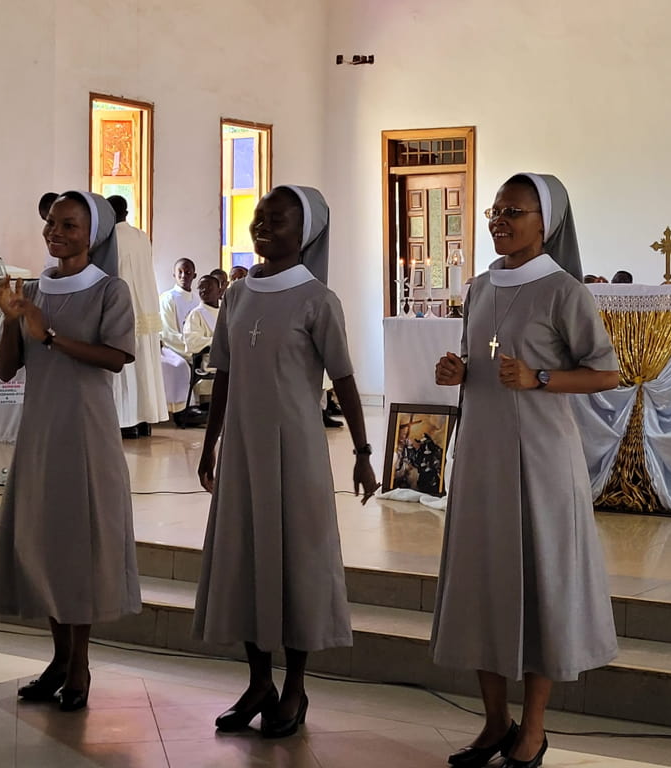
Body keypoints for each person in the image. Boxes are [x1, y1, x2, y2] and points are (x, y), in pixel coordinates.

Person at [432, 173, 620, 768]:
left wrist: (539, 378)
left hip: (540, 461)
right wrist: (458, 369)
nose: (499, 219)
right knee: (486, 585)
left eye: (513, 211)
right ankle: (494, 724)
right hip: (483, 458)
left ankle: (533, 730)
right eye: (495, 209)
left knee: (541, 589)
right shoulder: (482, 286)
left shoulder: (564, 291)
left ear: (547, 224)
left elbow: (606, 373)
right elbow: (479, 358)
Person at [193, 185, 379, 739]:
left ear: (307, 232)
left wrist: (364, 453)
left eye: (278, 218)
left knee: (296, 563)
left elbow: (343, 379)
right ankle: (258, 682)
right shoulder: (238, 295)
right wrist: (210, 443)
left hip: (296, 452)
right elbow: (223, 373)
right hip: (245, 451)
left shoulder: (318, 299)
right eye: (259, 217)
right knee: (248, 560)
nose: (263, 225)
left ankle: (295, 686)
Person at [0, 191, 141, 712]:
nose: (56, 232)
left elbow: (115, 357)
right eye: (51, 222)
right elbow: (7, 369)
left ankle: (80, 663)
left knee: (79, 549)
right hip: (41, 434)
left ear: (91, 233)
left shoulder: (109, 290)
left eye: (68, 224)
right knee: (46, 544)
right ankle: (57, 657)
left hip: (87, 433)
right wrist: (11, 318)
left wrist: (47, 334)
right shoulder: (34, 290)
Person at [107, 195, 168, 438]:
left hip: (125, 307)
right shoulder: (141, 236)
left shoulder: (111, 239)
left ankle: (127, 422)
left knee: (126, 370)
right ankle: (146, 420)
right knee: (146, 365)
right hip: (148, 308)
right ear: (127, 211)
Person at [159, 258, 200, 419]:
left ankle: (201, 406)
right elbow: (167, 332)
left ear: (194, 275)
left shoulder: (197, 300)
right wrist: (190, 349)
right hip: (170, 347)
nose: (184, 275)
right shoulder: (168, 298)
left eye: (188, 272)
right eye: (180, 272)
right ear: (174, 275)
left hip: (192, 346)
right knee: (180, 366)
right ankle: (180, 410)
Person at [184, 274, 222, 358]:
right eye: (201, 287)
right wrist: (217, 341)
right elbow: (192, 342)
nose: (204, 290)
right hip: (210, 366)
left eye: (209, 287)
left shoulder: (226, 312)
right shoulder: (196, 314)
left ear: (219, 292)